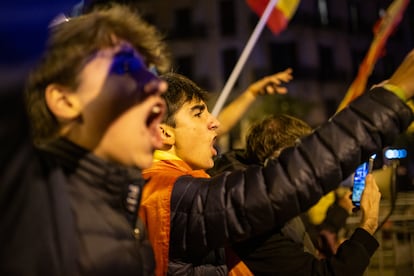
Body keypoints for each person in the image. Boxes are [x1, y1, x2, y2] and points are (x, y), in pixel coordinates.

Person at [140, 55, 414, 275]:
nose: (215, 123)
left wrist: (248, 94)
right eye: (199, 113)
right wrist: (390, 99)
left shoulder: (178, 185)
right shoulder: (168, 194)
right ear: (164, 132)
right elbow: (282, 184)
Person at [0, 4, 171, 275]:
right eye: (126, 67)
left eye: (148, 71)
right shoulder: (30, 204)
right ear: (65, 100)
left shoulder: (118, 201)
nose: (160, 85)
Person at [210, 114, 380, 274]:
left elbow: (305, 240)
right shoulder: (253, 212)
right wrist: (368, 224)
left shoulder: (262, 196)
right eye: (305, 161)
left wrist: (341, 213)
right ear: (279, 161)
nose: (310, 171)